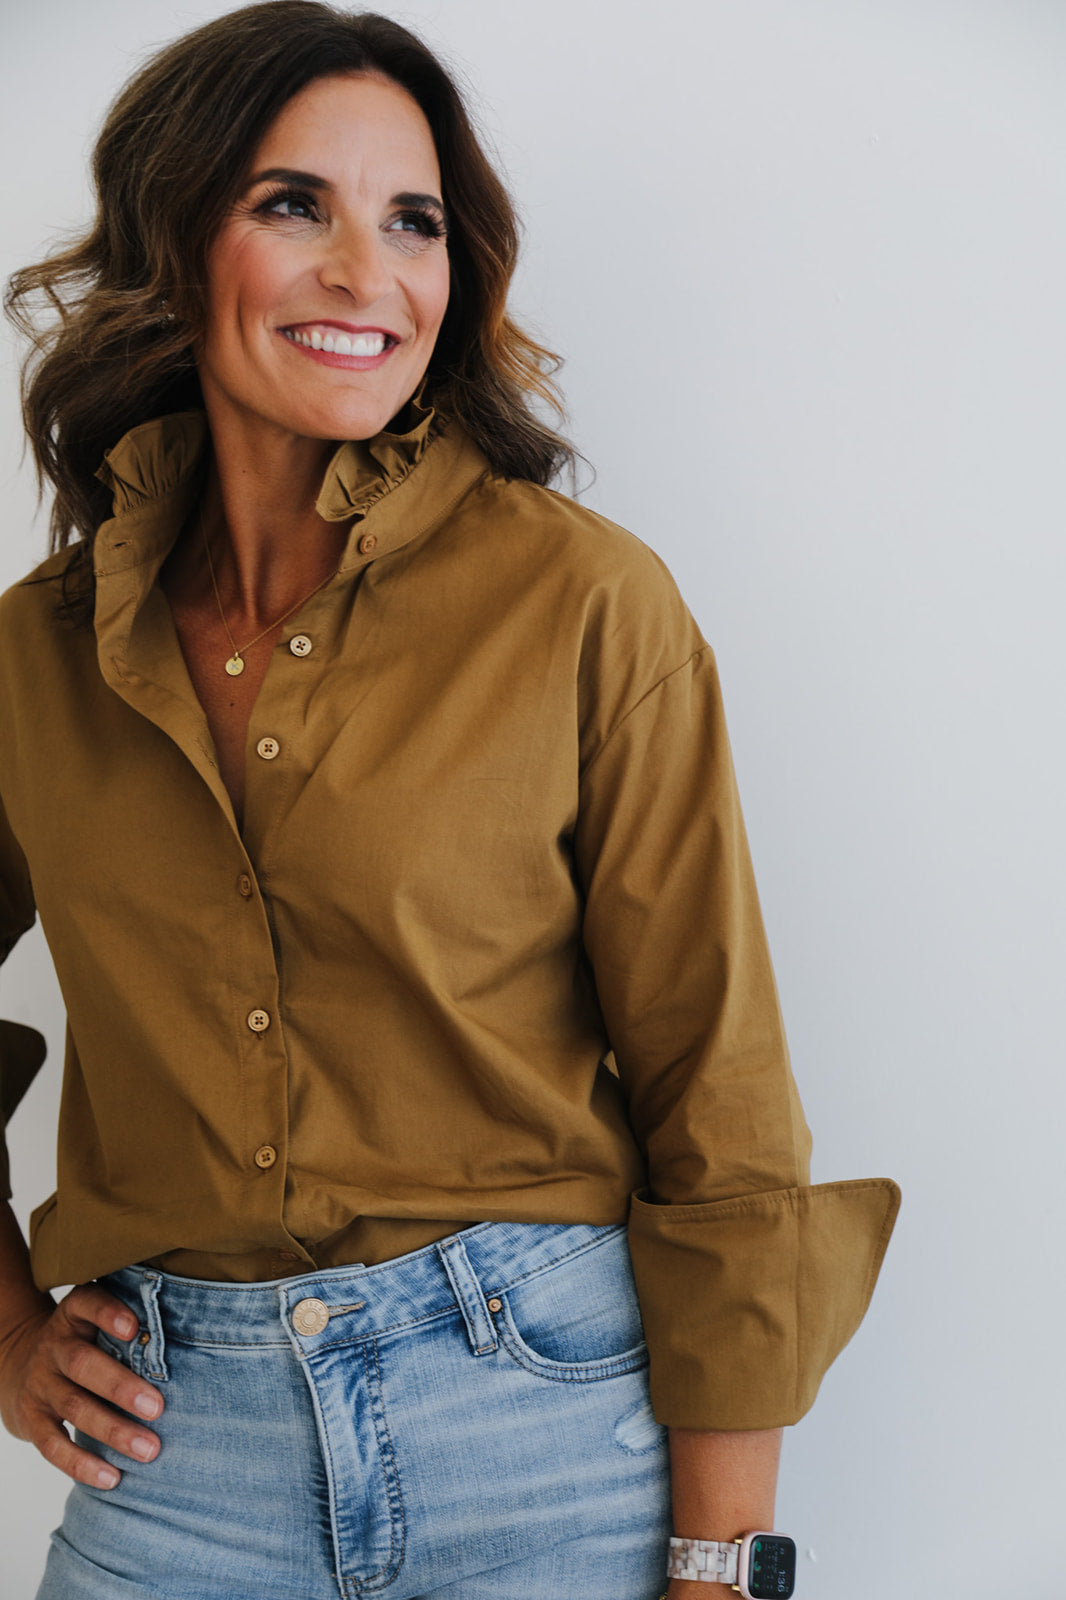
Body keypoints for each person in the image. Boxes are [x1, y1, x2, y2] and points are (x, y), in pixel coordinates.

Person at [0, 5, 900, 1597]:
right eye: (294, 206)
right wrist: (6, 1337)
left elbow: (719, 1101)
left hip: (545, 1441)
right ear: (172, 233)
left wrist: (716, 1561)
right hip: (174, 1455)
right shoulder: (34, 653)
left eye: (410, 220)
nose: (368, 273)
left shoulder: (579, 605)